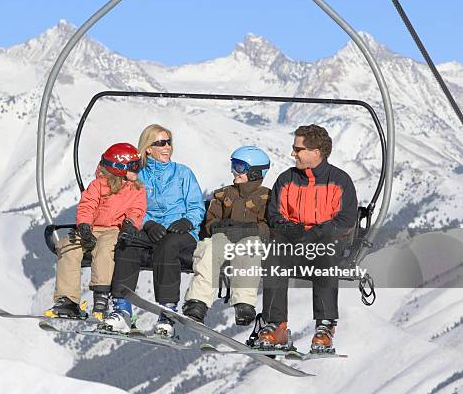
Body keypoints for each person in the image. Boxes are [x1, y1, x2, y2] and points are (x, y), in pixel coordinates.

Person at [255, 124, 358, 353]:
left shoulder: (339, 181)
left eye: (298, 149)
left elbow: (346, 220)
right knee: (275, 256)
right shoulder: (287, 179)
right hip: (293, 243)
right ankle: (276, 325)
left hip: (324, 245)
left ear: (316, 151)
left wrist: (316, 234)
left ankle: (325, 326)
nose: (293, 154)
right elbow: (274, 214)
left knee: (326, 255)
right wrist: (290, 229)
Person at [104, 124, 205, 337]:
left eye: (169, 142)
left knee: (168, 246)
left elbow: (196, 206)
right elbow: (131, 206)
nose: (167, 146)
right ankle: (122, 308)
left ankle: (167, 312)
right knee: (128, 242)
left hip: (181, 231)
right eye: (161, 142)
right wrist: (147, 223)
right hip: (150, 230)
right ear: (148, 148)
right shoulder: (138, 176)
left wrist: (187, 221)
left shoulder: (182, 173)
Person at [44, 143, 146, 321]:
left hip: (114, 229)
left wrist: (130, 224)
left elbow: (137, 210)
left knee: (106, 249)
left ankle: (101, 298)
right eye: (134, 166)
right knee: (69, 246)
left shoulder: (136, 189)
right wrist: (84, 227)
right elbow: (87, 206)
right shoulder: (98, 185)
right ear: (119, 168)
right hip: (92, 228)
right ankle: (67, 300)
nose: (138, 170)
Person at [182, 146, 272, 326]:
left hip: (251, 238)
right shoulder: (223, 194)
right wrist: (219, 226)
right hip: (224, 236)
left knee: (249, 251)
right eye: (233, 165)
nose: (233, 171)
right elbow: (210, 221)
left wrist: (248, 229)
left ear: (254, 172)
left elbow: (269, 227)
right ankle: (197, 302)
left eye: (239, 167)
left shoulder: (267, 197)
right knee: (208, 249)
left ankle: (244, 303)